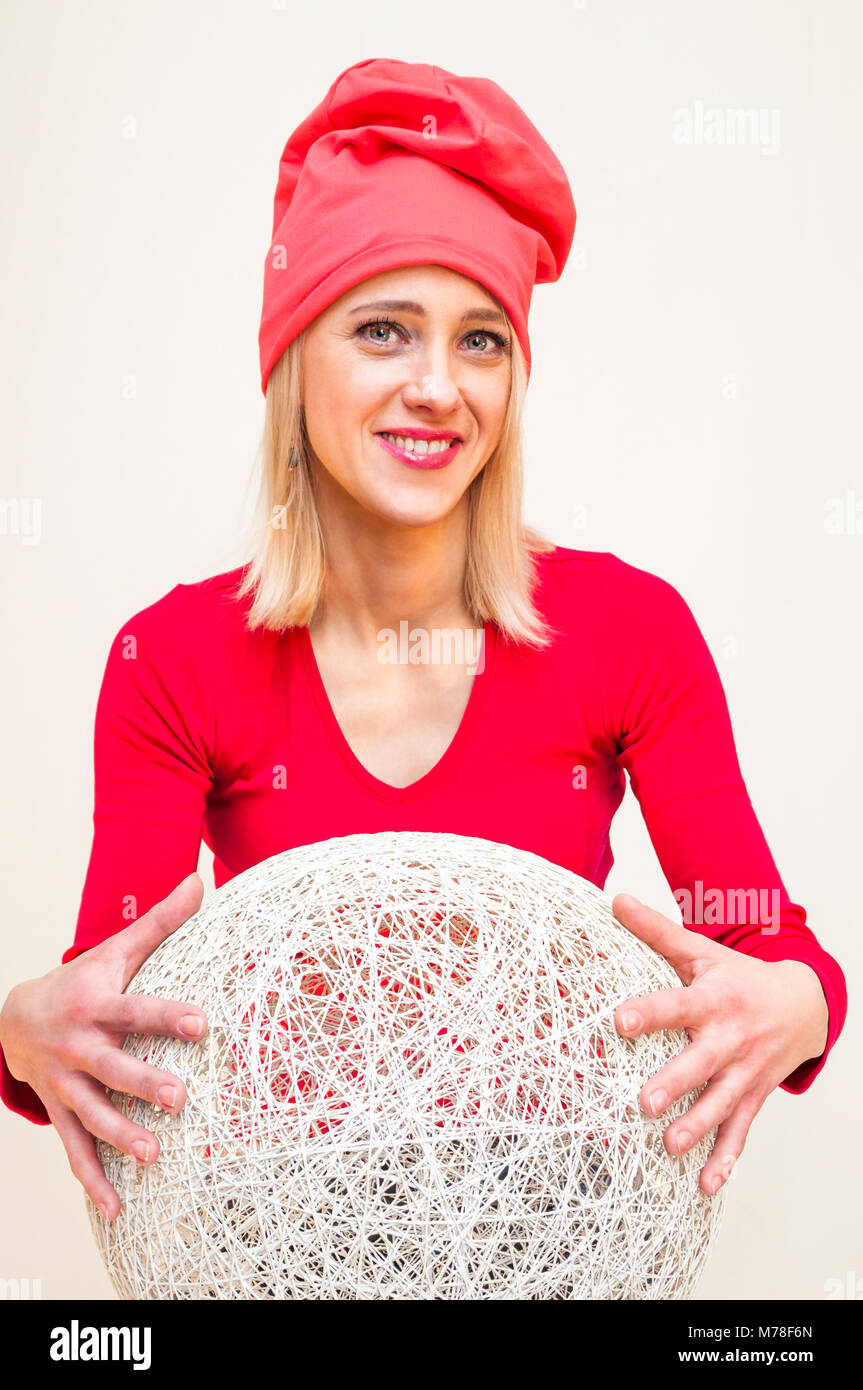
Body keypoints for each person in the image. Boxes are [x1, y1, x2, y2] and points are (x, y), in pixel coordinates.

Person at [0, 58, 846, 1229]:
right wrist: (19, 1030)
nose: (438, 387)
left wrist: (796, 1004)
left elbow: (766, 938)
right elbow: (111, 1008)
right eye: (384, 330)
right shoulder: (174, 659)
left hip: (553, 1226)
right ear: (296, 365)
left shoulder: (625, 631)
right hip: (283, 1228)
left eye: (481, 340)